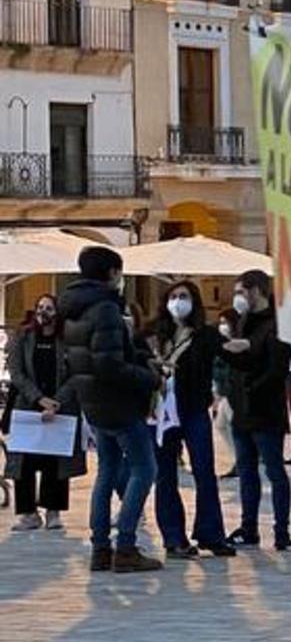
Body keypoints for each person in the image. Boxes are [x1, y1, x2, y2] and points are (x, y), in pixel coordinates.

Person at [57, 246, 161, 574]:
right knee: (145, 469)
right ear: (113, 272)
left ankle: (100, 548)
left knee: (106, 470)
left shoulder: (73, 308)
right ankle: (126, 546)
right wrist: (149, 378)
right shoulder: (105, 309)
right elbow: (109, 364)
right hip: (118, 403)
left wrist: (139, 358)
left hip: (93, 402)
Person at [150, 280, 233, 559]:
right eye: (173, 296)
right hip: (163, 412)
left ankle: (211, 534)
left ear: (194, 301)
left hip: (195, 409)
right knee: (165, 475)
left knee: (204, 472)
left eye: (183, 296)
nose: (178, 301)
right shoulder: (153, 333)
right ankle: (173, 538)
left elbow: (231, 355)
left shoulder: (206, 335)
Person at [219, 271, 291, 552]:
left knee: (274, 471)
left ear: (256, 292)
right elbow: (241, 362)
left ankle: (281, 530)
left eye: (241, 292)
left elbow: (277, 370)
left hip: (266, 411)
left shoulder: (276, 325)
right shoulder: (243, 322)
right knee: (247, 471)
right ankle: (248, 527)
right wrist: (225, 349)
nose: (238, 298)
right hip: (242, 409)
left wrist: (251, 388)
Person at [6, 295, 77, 530]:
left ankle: (53, 511)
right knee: (24, 463)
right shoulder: (23, 337)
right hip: (27, 407)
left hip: (58, 409)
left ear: (57, 312)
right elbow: (17, 374)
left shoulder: (66, 340)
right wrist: (39, 399)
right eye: (39, 307)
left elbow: (75, 374)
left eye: (48, 308)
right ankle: (28, 512)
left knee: (55, 462)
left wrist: (56, 402)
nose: (43, 312)